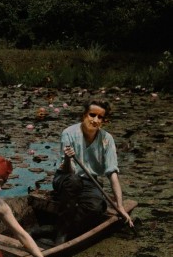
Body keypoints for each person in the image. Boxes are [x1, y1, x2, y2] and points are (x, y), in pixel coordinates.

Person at [53, 100, 134, 241]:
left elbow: (112, 173)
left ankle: (53, 229)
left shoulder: (107, 139)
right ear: (84, 115)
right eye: (92, 115)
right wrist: (67, 158)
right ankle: (61, 235)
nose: (95, 120)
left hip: (89, 181)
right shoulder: (69, 133)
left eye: (100, 117)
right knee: (74, 181)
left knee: (96, 207)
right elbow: (68, 170)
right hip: (65, 177)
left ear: (103, 120)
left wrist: (119, 206)